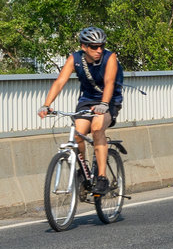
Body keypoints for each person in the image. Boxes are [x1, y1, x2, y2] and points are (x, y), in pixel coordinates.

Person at [38, 26, 124, 194]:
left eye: (101, 46)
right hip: (87, 100)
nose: (99, 50)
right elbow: (60, 82)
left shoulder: (110, 57)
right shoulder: (75, 59)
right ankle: (83, 170)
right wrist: (46, 105)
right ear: (84, 46)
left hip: (109, 100)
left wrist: (104, 104)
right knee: (78, 134)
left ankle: (102, 177)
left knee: (97, 128)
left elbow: (109, 83)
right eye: (94, 47)